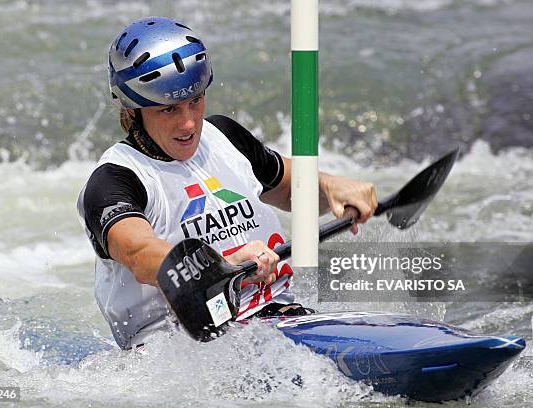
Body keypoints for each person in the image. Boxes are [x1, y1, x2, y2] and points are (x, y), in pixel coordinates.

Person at [77, 16, 377, 350]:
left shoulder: (225, 136)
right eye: (169, 109)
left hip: (275, 318)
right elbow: (140, 254)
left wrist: (333, 188)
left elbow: (295, 191)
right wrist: (218, 263)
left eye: (195, 100)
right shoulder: (114, 180)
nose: (189, 123)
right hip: (181, 348)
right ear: (135, 110)